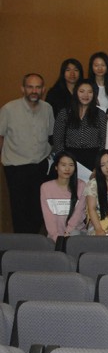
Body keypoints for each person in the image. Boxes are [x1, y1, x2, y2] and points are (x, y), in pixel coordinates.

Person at [1, 73, 54, 233]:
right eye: (30, 87)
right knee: (19, 209)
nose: (34, 91)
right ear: (23, 89)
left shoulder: (47, 108)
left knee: (38, 209)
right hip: (16, 167)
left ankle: (35, 242)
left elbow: (50, 135)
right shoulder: (9, 109)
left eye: (38, 87)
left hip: (40, 166)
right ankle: (21, 244)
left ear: (43, 89)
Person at [52, 79, 107, 172]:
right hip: (69, 157)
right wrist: (63, 161)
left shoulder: (100, 114)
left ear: (94, 94)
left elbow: (104, 140)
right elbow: (58, 139)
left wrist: (99, 164)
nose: (86, 95)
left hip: (93, 157)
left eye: (90, 92)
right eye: (82, 91)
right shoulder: (65, 113)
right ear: (76, 93)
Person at [40, 152, 88, 240]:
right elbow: (48, 216)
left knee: (74, 234)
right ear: (56, 167)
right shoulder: (46, 188)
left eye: (71, 165)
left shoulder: (81, 186)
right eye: (63, 165)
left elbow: (78, 213)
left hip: (76, 233)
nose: (67, 169)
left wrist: (68, 232)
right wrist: (56, 237)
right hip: (54, 235)